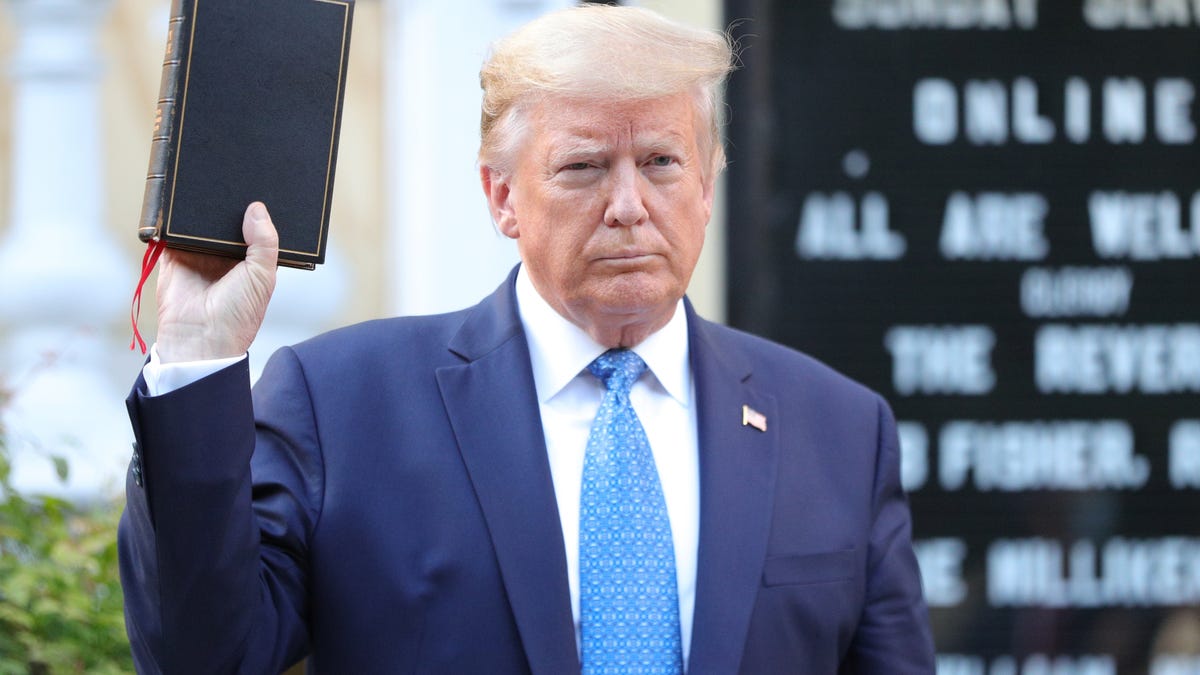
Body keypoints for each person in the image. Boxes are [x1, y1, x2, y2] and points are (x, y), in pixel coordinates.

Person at [118, 5, 935, 674]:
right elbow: (203, 657)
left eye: (660, 161)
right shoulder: (342, 403)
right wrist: (195, 354)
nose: (627, 205)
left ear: (709, 180)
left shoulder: (837, 429)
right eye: (583, 167)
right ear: (502, 196)